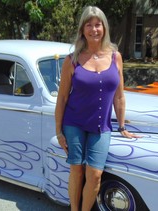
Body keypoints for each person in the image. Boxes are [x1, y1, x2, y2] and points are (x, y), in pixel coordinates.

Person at [54, 6, 139, 211]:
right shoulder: (72, 60)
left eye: (97, 24)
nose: (94, 29)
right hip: (74, 123)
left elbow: (119, 96)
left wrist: (121, 126)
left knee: (95, 174)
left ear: (104, 27)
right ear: (82, 29)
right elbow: (63, 97)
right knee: (77, 170)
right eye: (89, 25)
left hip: (101, 127)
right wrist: (59, 131)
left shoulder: (115, 57)